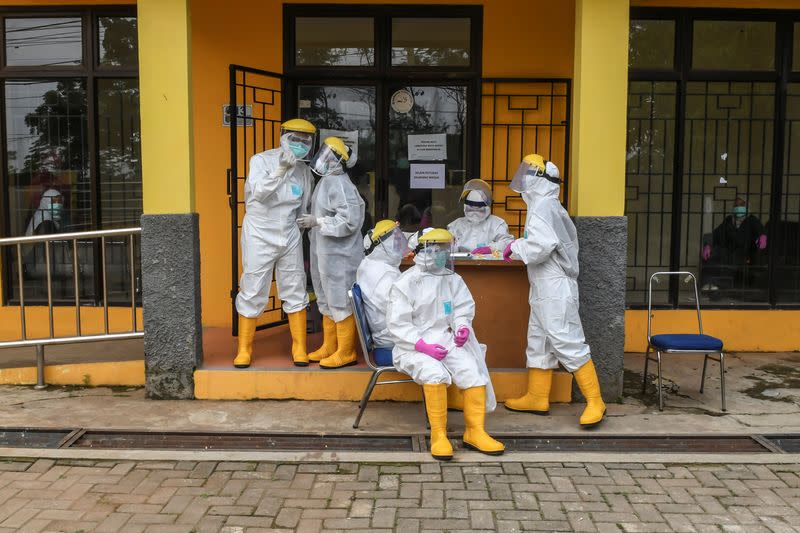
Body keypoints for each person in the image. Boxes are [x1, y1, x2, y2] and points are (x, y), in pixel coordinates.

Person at [502, 154, 606, 428]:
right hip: (545, 284)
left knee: (565, 338)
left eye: (527, 173)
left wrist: (514, 248)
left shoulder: (544, 207)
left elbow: (539, 247)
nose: (522, 178)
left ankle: (595, 400)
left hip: (555, 284)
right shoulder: (548, 205)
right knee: (539, 339)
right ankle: (537, 397)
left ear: (540, 180)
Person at [386, 228, 504, 460]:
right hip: (412, 346)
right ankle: (439, 436)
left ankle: (475, 431)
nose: (440, 254)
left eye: (443, 249)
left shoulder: (452, 278)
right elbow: (397, 324)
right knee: (434, 373)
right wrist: (421, 345)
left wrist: (461, 327)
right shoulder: (406, 282)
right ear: (419, 251)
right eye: (434, 249)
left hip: (444, 338)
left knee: (472, 370)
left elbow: (462, 308)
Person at [234, 118, 316, 368]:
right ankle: (245, 348)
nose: (300, 144)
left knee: (294, 285)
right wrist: (280, 170)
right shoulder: (261, 160)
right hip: (260, 231)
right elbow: (258, 192)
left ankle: (299, 346)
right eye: (295, 138)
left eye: (305, 140)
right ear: (282, 136)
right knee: (253, 285)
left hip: (289, 231)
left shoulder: (304, 171)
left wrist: (306, 222)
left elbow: (304, 205)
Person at [299, 136, 366, 369]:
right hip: (325, 252)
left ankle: (346, 352)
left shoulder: (340, 184)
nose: (324, 159)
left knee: (339, 301)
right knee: (326, 300)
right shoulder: (327, 181)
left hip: (341, 256)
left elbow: (350, 221)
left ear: (340, 161)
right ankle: (330, 346)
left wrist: (317, 221)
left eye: (330, 156)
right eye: (324, 153)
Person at [356, 220, 409, 366]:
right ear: (381, 246)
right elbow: (399, 310)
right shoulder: (382, 275)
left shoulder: (372, 264)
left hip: (390, 335)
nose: (399, 246)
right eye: (395, 241)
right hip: (392, 342)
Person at [701, 197, 767, 292]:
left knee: (732, 260)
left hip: (744, 253)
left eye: (741, 205)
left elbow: (761, 232)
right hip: (727, 250)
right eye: (736, 205)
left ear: (747, 206)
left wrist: (763, 237)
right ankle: (708, 283)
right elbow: (716, 233)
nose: (738, 207)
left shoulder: (752, 220)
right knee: (712, 256)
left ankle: (722, 286)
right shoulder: (729, 220)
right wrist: (708, 245)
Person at [447, 179, 513, 255]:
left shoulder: (497, 224)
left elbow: (508, 243)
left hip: (489, 264)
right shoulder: (456, 225)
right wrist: (452, 246)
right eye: (471, 209)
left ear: (487, 208)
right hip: (463, 264)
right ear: (465, 207)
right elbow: (447, 246)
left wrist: (491, 249)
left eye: (479, 210)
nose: (475, 213)